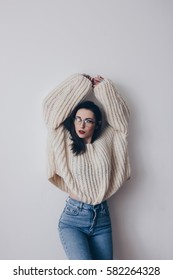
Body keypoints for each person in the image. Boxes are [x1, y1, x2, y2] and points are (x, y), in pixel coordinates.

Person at [43, 73, 131, 259]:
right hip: (73, 219)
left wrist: (105, 90)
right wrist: (78, 83)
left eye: (88, 120)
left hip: (102, 219)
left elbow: (122, 125)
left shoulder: (107, 140)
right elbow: (50, 111)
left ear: (96, 124)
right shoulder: (65, 139)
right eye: (78, 118)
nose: (81, 124)